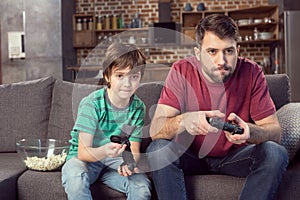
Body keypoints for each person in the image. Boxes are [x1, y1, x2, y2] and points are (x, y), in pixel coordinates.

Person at [146, 14, 288, 200]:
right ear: (198, 54)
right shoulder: (181, 71)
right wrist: (184, 120)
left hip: (236, 157)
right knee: (158, 149)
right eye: (212, 51)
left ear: (238, 50)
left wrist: (250, 132)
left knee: (275, 153)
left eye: (228, 51)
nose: (221, 61)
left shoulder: (252, 72)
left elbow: (275, 133)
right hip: (191, 156)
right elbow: (155, 130)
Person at [62, 42, 151, 200]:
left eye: (134, 77)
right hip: (84, 160)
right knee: (75, 176)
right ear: (107, 76)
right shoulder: (93, 104)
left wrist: (129, 163)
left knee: (141, 186)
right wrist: (104, 151)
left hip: (115, 162)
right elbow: (83, 152)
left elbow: (134, 150)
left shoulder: (138, 107)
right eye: (119, 76)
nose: (127, 83)